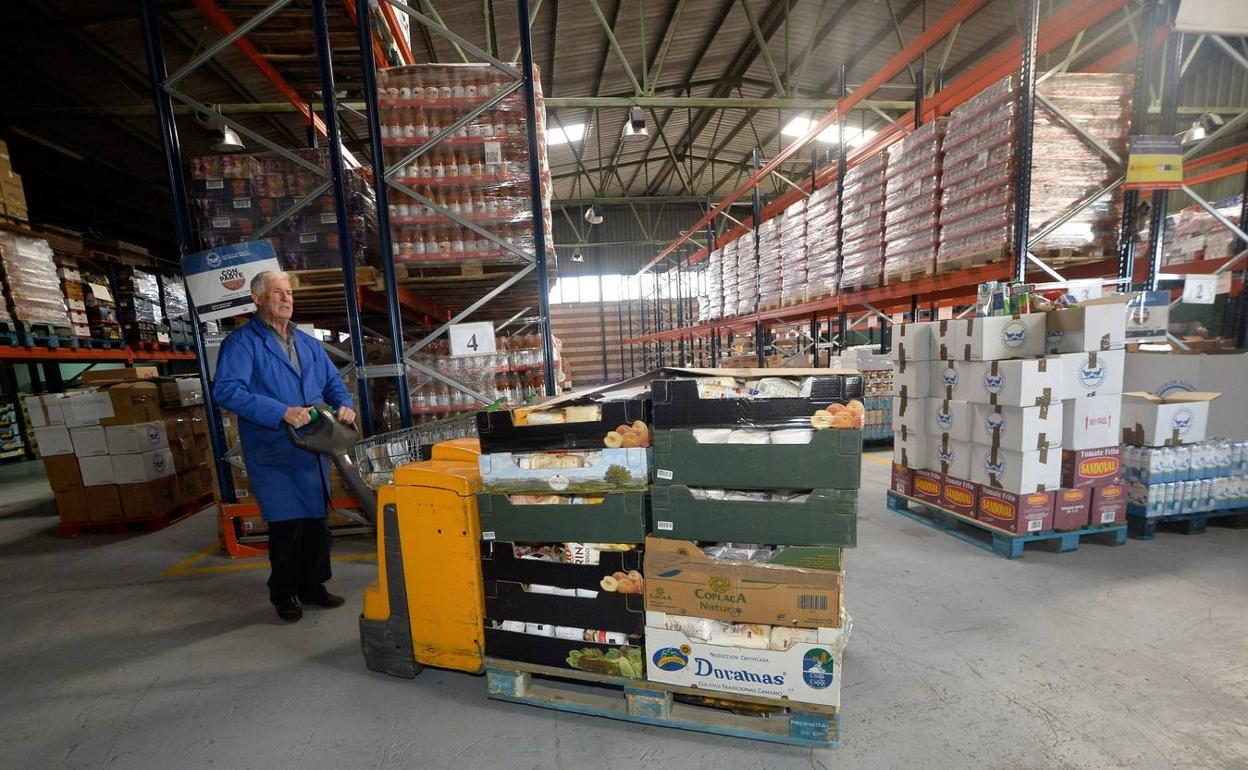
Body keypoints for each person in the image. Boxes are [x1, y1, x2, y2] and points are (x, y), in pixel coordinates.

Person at [213, 270, 357, 622]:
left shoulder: (307, 343)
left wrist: (344, 404)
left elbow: (333, 383)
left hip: (314, 447)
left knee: (316, 525)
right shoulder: (242, 343)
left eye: (289, 292)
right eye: (277, 292)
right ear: (257, 299)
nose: (286, 298)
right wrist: (281, 412)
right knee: (287, 527)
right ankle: (284, 593)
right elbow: (227, 391)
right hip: (274, 449)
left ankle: (313, 586)